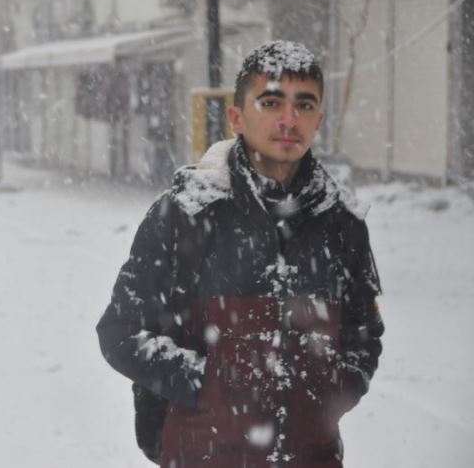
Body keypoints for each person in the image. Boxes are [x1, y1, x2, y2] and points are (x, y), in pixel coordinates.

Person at [96, 40, 384, 467]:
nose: (289, 119)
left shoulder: (342, 225)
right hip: (202, 456)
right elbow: (120, 332)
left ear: (318, 119)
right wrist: (206, 380)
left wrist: (327, 393)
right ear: (237, 117)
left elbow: (364, 334)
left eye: (304, 105)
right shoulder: (184, 215)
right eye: (271, 102)